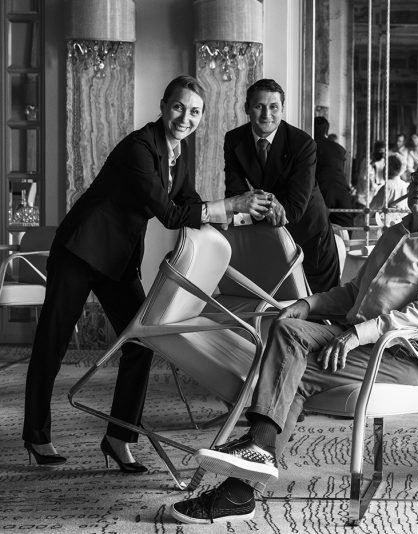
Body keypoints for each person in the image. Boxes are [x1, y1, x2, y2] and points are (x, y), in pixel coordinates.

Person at [170, 151, 418, 524]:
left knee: (291, 368)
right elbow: (354, 293)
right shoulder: (397, 232)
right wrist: (308, 304)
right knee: (288, 337)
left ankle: (244, 479)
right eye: (417, 177)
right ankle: (251, 465)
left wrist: (357, 335)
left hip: (405, 356)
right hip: (362, 340)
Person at [22, 75, 270, 470]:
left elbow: (190, 202)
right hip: (79, 252)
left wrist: (240, 214)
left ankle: (118, 438)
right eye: (179, 107)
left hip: (118, 261)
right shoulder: (139, 148)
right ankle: (36, 436)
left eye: (195, 112)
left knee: (140, 342)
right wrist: (228, 204)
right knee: (52, 344)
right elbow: (170, 214)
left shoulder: (178, 154)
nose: (185, 118)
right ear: (163, 105)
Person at [224, 79, 340, 293]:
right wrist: (264, 202)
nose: (266, 115)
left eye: (274, 107)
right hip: (270, 237)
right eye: (259, 106)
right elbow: (235, 195)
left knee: (321, 306)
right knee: (277, 305)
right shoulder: (234, 139)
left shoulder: (303, 144)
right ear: (247, 108)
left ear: (282, 109)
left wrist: (254, 201)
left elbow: (294, 210)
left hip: (311, 235)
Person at [313, 116, 355, 227]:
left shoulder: (311, 146)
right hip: (342, 192)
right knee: (345, 226)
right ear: (327, 131)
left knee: (319, 226)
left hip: (321, 191)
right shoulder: (339, 149)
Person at [370, 153, 408, 227]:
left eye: (385, 165)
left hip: (384, 225)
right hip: (399, 224)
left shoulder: (387, 186)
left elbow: (372, 209)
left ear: (389, 167)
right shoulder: (404, 185)